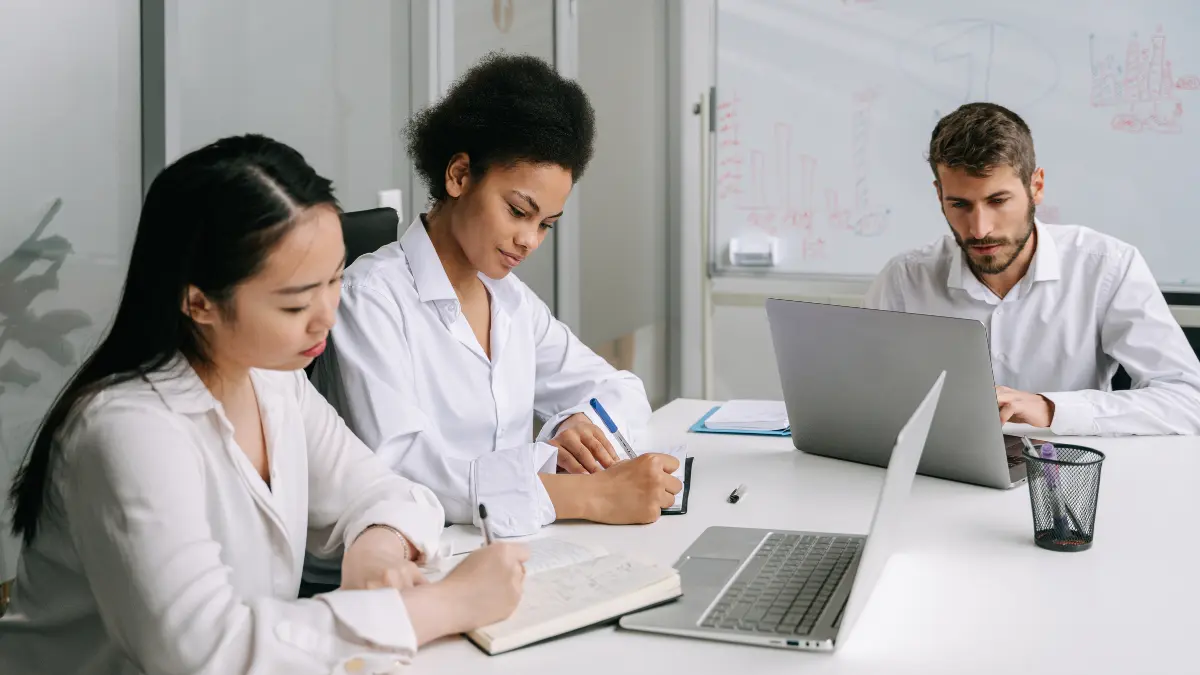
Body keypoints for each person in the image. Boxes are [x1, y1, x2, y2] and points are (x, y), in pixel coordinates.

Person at [0, 134, 528, 675]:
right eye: (297, 301)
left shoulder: (273, 381)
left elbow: (386, 491)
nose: (327, 315)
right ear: (198, 301)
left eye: (336, 279)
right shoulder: (127, 429)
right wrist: (435, 606)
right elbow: (204, 651)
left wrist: (378, 549)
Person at [311, 53, 681, 549]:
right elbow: (403, 470)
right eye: (518, 211)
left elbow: (621, 388)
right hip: (414, 563)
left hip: (517, 545)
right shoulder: (369, 298)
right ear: (460, 176)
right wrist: (577, 491)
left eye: (546, 224)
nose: (530, 240)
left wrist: (579, 425)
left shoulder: (509, 301)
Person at [866, 102, 1200, 436]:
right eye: (960, 204)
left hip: (1066, 477)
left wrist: (1051, 409)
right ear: (940, 195)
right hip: (936, 476)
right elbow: (861, 395)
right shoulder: (904, 278)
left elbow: (1188, 401)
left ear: (1036, 186)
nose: (979, 229)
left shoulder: (1107, 267)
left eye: (998, 201)